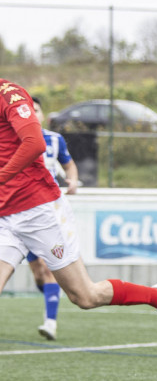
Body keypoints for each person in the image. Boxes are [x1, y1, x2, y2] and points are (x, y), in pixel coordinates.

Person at [0, 79, 157, 339]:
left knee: (85, 296)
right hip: (5, 216)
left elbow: (34, 143)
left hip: (39, 210)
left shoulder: (9, 95)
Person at [25, 96, 80, 340]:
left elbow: (69, 165)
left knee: (48, 269)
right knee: (38, 272)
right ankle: (49, 292)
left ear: (42, 114)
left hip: (48, 212)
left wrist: (72, 180)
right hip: (18, 213)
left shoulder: (54, 140)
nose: (31, 114)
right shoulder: (13, 139)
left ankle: (50, 322)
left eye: (35, 109)